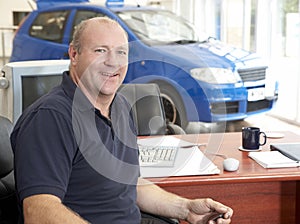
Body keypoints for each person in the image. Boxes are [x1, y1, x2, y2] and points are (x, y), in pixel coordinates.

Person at [10, 17, 233, 224]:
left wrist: (186, 209)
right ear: (74, 55)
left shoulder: (120, 106)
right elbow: (38, 210)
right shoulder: (50, 118)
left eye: (121, 52)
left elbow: (131, 184)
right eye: (100, 51)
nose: (113, 62)